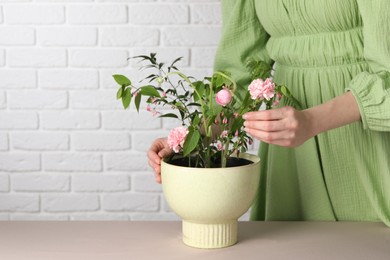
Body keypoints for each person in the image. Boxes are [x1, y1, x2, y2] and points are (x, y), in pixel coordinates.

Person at [148, 0, 390, 226]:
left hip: (365, 143)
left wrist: (311, 121)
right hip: (290, 153)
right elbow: (236, 82)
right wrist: (189, 141)